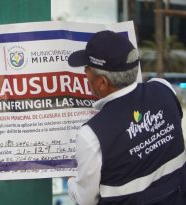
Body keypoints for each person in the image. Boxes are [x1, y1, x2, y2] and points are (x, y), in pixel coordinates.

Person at [66, 30, 186, 205]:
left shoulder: (91, 135)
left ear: (102, 83)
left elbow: (86, 200)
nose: (85, 73)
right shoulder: (164, 89)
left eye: (87, 69)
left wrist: (70, 181)